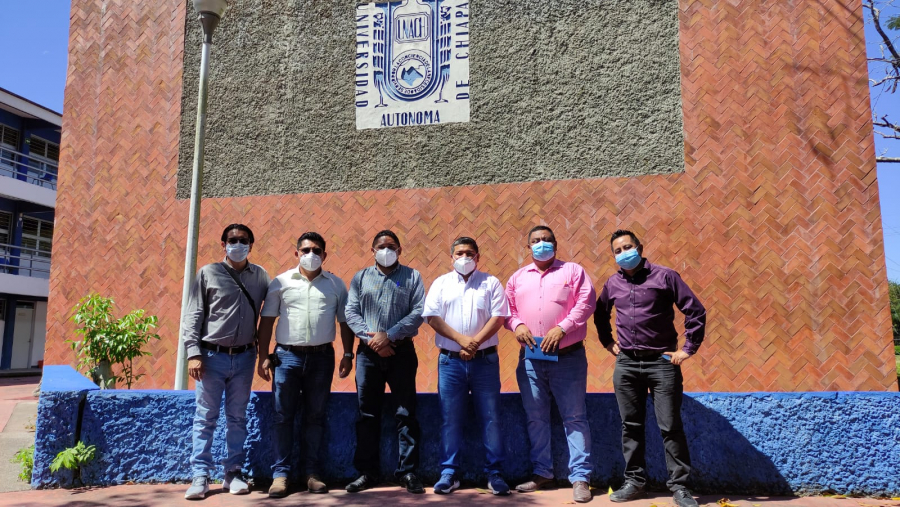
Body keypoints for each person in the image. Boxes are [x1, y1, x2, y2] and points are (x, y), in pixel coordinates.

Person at [594, 230, 706, 507]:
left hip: (662, 363)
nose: (624, 253)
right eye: (618, 250)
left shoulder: (665, 276)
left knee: (670, 426)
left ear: (640, 248)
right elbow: (600, 313)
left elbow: (695, 310)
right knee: (630, 426)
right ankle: (635, 482)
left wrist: (687, 349)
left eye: (628, 247)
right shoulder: (613, 283)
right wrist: (608, 342)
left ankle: (680, 487)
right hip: (627, 364)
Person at [256, 232, 355, 498]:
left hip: (322, 358)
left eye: (316, 250)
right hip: (287, 357)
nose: (311, 254)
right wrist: (262, 355)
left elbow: (345, 322)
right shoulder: (281, 282)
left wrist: (348, 354)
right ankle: (281, 475)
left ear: (325, 254)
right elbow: (267, 321)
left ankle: (311, 473)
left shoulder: (335, 284)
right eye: (306, 250)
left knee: (315, 416)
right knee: (282, 416)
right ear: (296, 253)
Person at [504, 225, 596, 504]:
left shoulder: (573, 271)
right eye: (535, 240)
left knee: (575, 417)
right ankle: (542, 472)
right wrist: (517, 325)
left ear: (555, 244)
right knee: (536, 417)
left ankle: (580, 478)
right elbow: (507, 310)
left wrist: (563, 328)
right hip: (531, 358)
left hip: (568, 357)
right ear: (528, 247)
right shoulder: (517, 278)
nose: (541, 244)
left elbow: (586, 303)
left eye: (546, 240)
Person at [181, 224, 270, 500]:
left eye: (243, 240)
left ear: (251, 245)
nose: (238, 244)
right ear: (223, 244)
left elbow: (271, 311)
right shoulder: (208, 273)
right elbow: (193, 314)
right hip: (211, 357)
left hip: (245, 357)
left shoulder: (261, 276)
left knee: (237, 418)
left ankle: (233, 472)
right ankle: (200, 476)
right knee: (205, 417)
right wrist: (193, 353)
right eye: (232, 240)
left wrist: (264, 355)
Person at [423, 237, 511, 495]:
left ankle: (495, 474)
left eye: (470, 253)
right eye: (459, 253)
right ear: (451, 257)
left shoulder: (491, 283)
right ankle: (449, 473)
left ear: (478, 257)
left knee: (491, 417)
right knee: (450, 418)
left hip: (485, 361)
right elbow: (432, 317)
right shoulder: (441, 283)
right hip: (450, 361)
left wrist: (474, 343)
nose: (464, 257)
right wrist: (462, 341)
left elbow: (499, 317)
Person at [344, 230, 426, 494]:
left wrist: (388, 336)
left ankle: (408, 472)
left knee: (405, 413)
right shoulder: (360, 278)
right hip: (368, 355)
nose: (386, 251)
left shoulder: (412, 277)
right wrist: (374, 342)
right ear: (372, 250)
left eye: (391, 246)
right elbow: (351, 312)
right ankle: (367, 472)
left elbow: (419, 312)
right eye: (381, 247)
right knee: (367, 414)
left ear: (400, 250)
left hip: (401, 352)